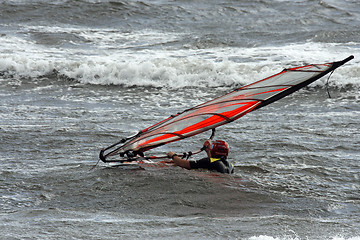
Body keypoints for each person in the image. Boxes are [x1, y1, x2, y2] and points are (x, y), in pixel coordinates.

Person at [167, 139, 234, 174]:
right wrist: (208, 151)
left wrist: (173, 155)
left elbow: (184, 164)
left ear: (213, 150)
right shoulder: (230, 165)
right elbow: (213, 162)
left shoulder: (208, 161)